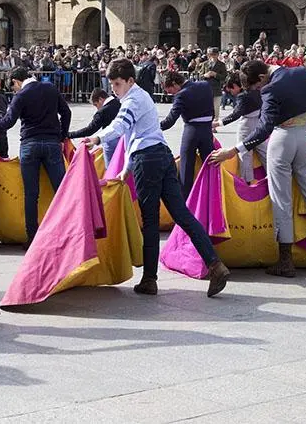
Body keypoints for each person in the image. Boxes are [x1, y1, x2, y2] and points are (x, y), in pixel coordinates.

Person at [85, 58, 229, 297]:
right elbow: (140, 133)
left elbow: (122, 127)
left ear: (130, 81)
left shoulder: (131, 100)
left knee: (150, 221)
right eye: (112, 84)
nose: (114, 89)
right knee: (181, 214)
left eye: (118, 84)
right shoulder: (143, 97)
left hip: (148, 161)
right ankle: (215, 264)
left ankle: (149, 279)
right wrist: (127, 167)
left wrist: (98, 139)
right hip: (161, 155)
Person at [208, 60, 306, 278]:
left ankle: (286, 261)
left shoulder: (270, 89)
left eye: (255, 87)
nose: (257, 91)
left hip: (281, 140)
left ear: (260, 78)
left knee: (281, 199)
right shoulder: (302, 73)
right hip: (303, 137)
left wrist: (234, 150)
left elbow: (264, 127)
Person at [0, 66, 71, 248]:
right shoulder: (50, 88)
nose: (14, 90)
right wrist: (61, 136)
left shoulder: (21, 95)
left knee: (31, 194)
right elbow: (66, 112)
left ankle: (32, 238)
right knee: (62, 190)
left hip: (30, 146)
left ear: (16, 81)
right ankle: (69, 232)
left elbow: (7, 122)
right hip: (51, 144)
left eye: (14, 86)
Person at [160, 71, 215, 198]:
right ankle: (212, 195)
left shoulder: (181, 95)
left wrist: (154, 128)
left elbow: (169, 121)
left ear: (174, 84)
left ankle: (186, 201)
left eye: (171, 90)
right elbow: (212, 110)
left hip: (192, 131)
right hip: (207, 130)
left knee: (186, 169)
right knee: (211, 165)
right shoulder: (205, 85)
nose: (172, 94)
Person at [215, 77, 266, 183]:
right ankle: (272, 175)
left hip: (247, 124)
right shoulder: (257, 90)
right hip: (260, 122)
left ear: (236, 86)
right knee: (265, 152)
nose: (232, 93)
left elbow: (236, 114)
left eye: (231, 89)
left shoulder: (242, 96)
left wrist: (219, 123)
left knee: (244, 153)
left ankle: (247, 181)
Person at [69, 88, 121, 165]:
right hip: (125, 139)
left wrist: (70, 134)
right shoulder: (121, 102)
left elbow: (90, 130)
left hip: (111, 141)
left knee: (111, 168)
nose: (97, 108)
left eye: (96, 105)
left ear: (100, 99)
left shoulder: (102, 112)